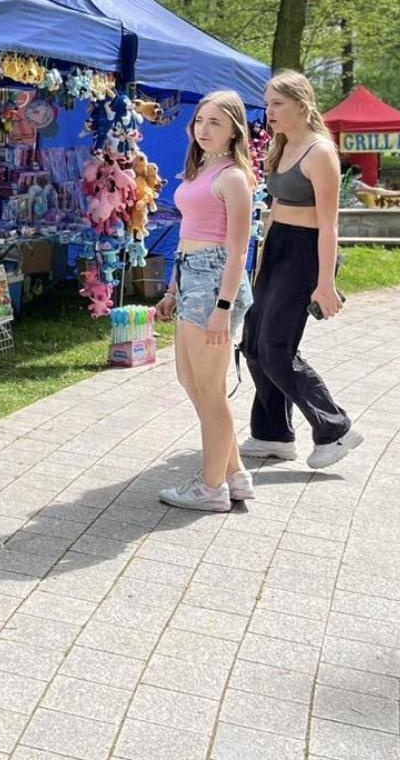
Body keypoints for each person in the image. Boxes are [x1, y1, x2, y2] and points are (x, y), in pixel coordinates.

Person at [238, 71, 363, 469]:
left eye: (277, 103)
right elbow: (275, 210)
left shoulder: (320, 151)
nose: (269, 110)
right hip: (277, 250)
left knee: (276, 349)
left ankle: (335, 429)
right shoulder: (282, 145)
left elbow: (330, 225)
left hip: (306, 253)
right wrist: (260, 263)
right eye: (267, 102)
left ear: (302, 105)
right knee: (253, 344)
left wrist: (325, 284)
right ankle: (273, 434)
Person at [152, 90, 256, 512]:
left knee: (210, 391)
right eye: (200, 121)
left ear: (235, 129)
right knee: (190, 380)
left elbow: (237, 251)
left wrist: (223, 309)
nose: (204, 129)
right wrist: (173, 289)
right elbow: (188, 234)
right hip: (191, 275)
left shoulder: (232, 177)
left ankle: (212, 487)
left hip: (215, 283)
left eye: (215, 122)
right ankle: (234, 474)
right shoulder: (200, 171)